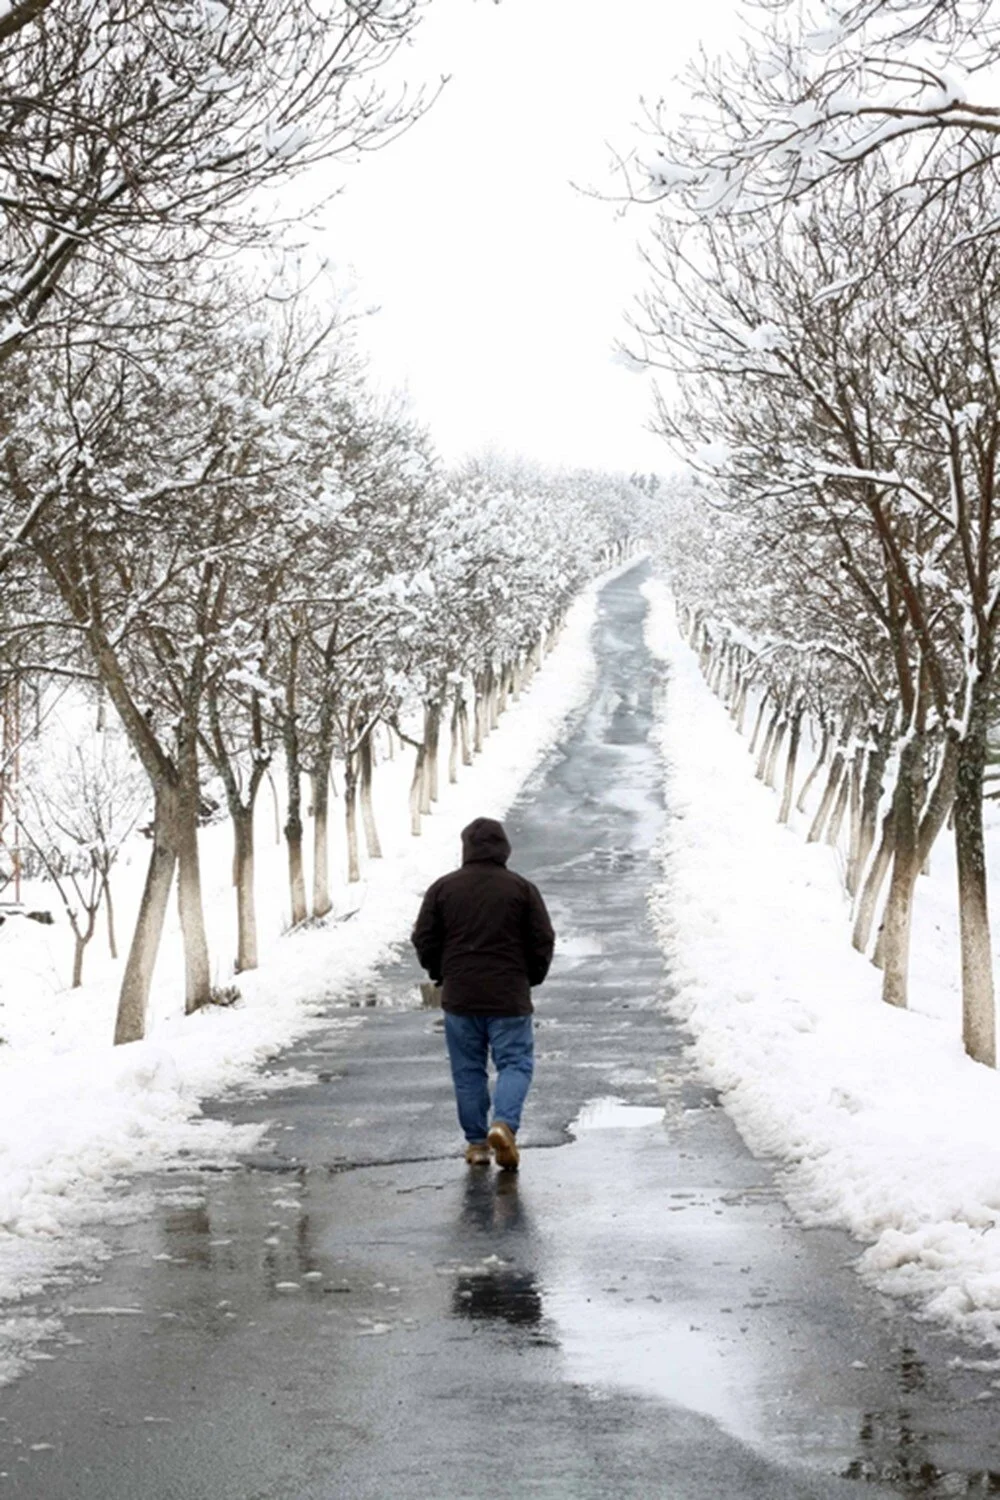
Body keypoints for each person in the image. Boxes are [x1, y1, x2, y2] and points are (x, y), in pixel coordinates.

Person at [411, 816, 555, 1171]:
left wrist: (440, 972)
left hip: (461, 996)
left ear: (466, 849)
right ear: (504, 848)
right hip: (509, 996)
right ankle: (503, 1124)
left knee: (467, 1070)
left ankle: (477, 1145)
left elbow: (424, 937)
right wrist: (532, 976)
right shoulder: (521, 889)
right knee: (515, 1063)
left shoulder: (443, 889)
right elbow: (543, 938)